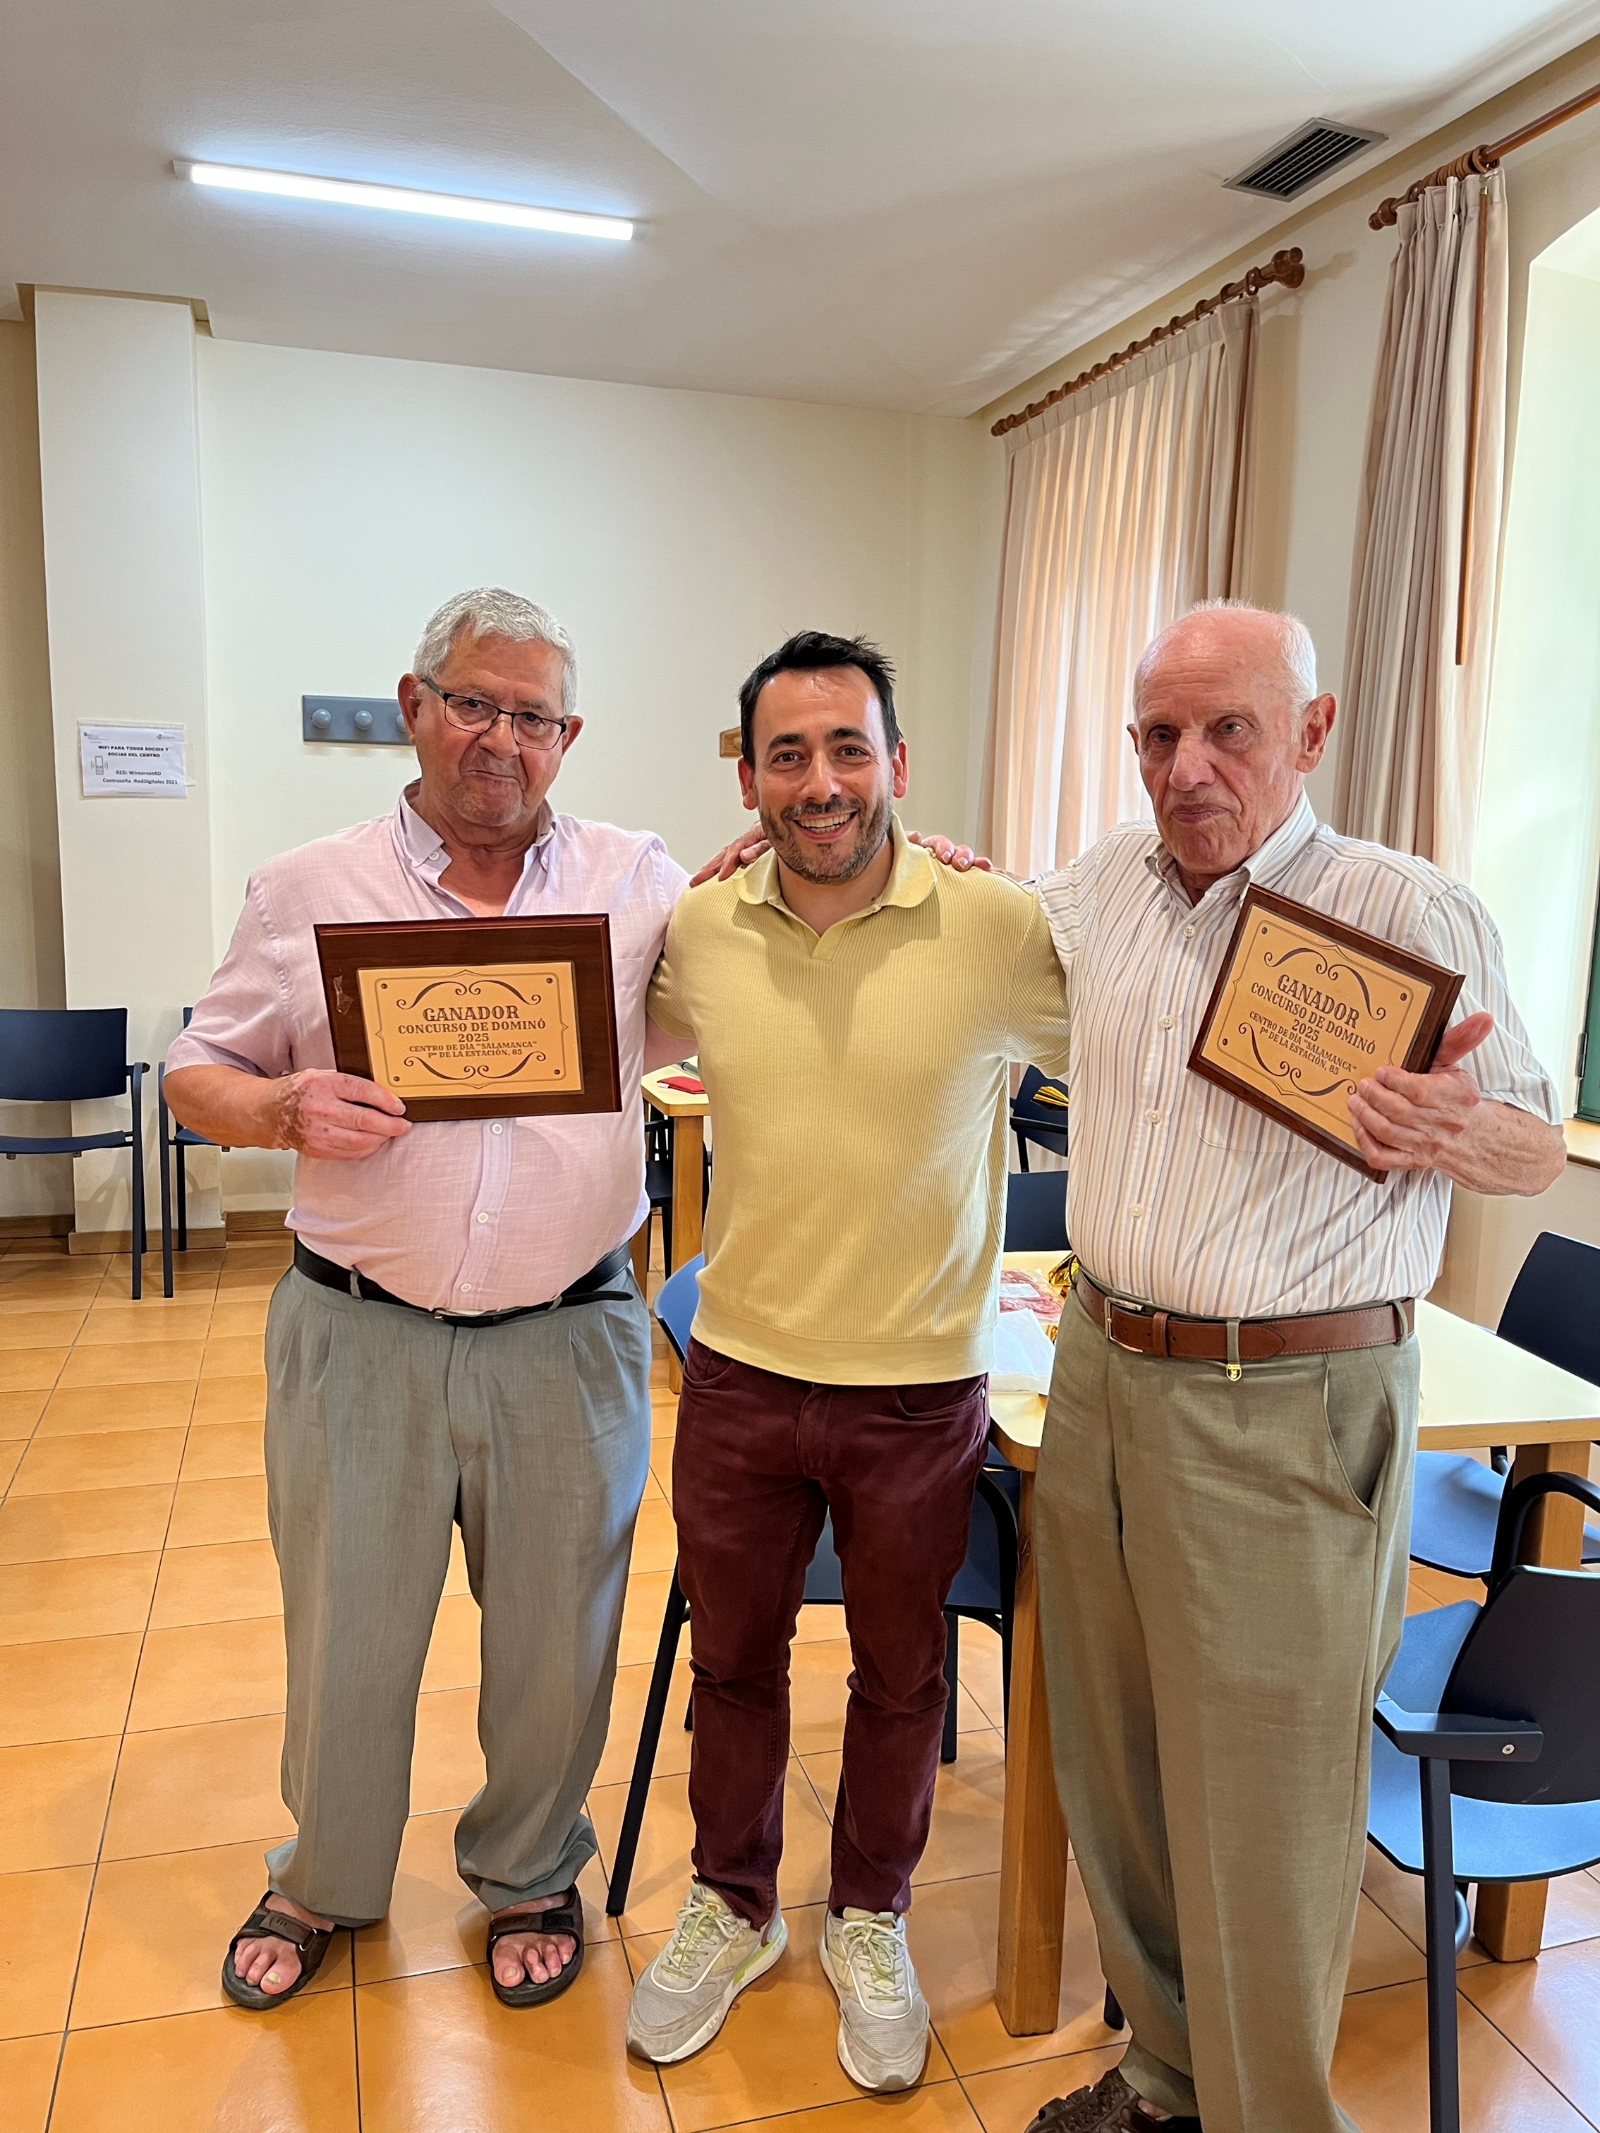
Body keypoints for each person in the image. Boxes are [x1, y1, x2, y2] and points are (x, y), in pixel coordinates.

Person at [949, 601, 1560, 2133]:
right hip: (1099, 1374)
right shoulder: (1102, 890)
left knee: (1272, 1814)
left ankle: (1272, 2116)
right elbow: (991, 926)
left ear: (1315, 727)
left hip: (1291, 1406)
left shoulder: (1410, 912)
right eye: (1160, 733)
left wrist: (1463, 1132)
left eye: (1229, 729)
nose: (1189, 765)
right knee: (1121, 1766)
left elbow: (1539, 1136)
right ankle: (1168, 2076)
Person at [164, 587, 687, 2012]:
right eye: (472, 701)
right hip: (359, 1333)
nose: (498, 737)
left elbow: (759, 982)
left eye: (531, 714)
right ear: (412, 705)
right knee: (346, 1625)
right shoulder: (305, 884)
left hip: (567, 1338)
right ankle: (325, 1870)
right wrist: (278, 1105)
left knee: (555, 1630)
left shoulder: (642, 879)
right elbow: (194, 1067)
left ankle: (527, 1865)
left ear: (567, 736)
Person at [626, 631, 1071, 2092]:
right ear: (745, 773)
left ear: (896, 760)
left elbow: (1153, 1030)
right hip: (742, 1373)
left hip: (920, 1387)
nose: (821, 781)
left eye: (848, 748)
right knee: (735, 1661)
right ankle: (735, 1902)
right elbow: (574, 1022)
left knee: (901, 1678)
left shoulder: (1001, 927)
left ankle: (870, 1913)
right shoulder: (694, 932)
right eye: (788, 753)